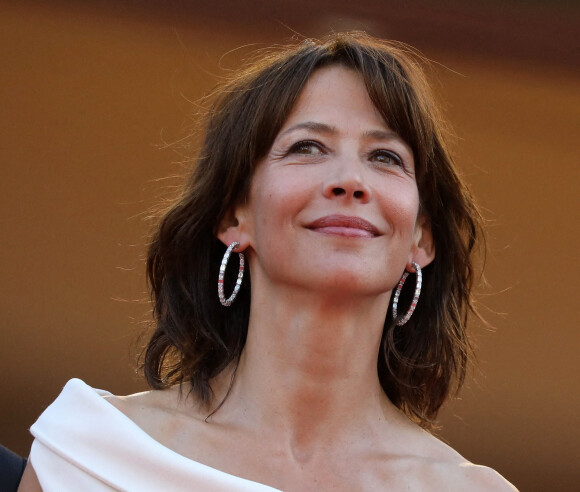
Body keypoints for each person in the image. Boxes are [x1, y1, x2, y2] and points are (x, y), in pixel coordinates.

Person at [19, 32, 517, 491]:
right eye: (308, 147)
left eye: (385, 157)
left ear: (421, 240)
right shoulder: (89, 452)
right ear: (234, 216)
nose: (349, 180)